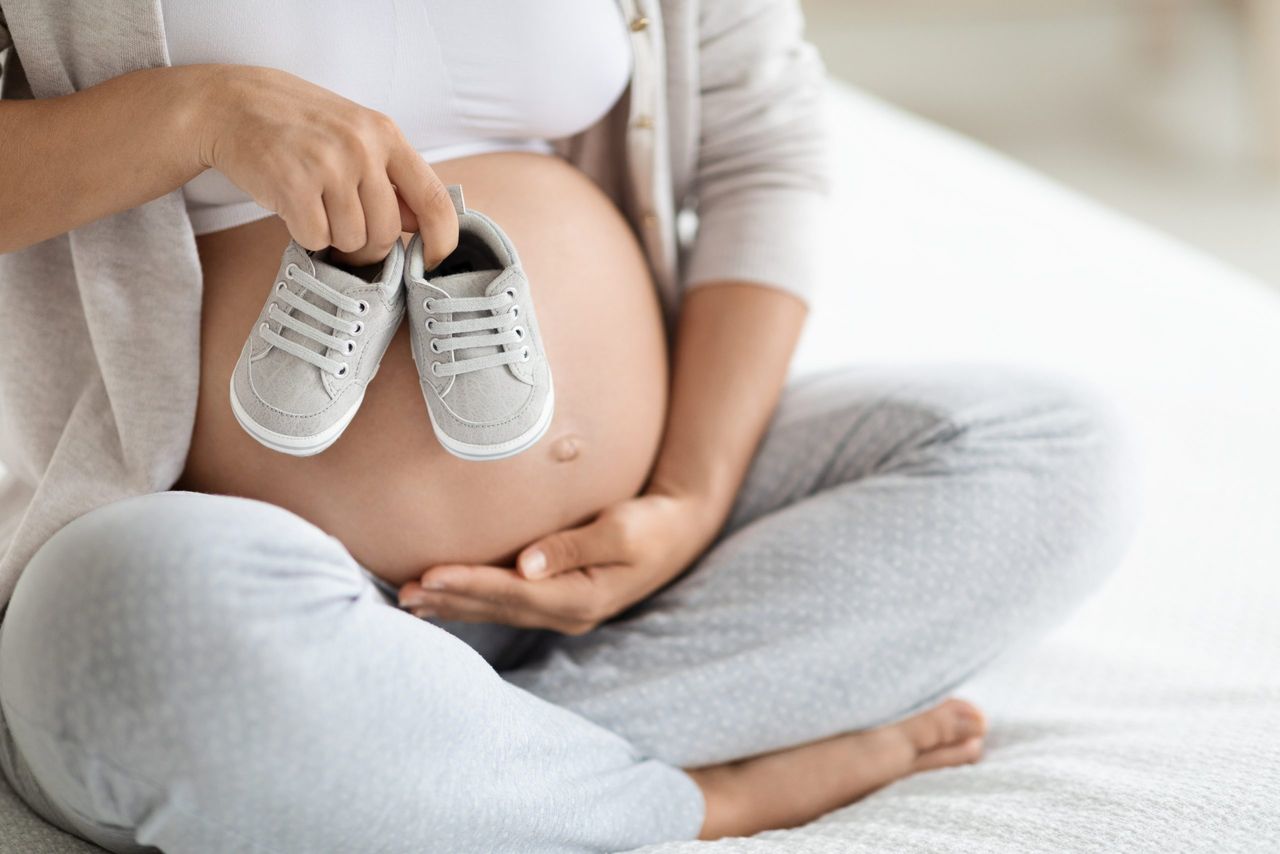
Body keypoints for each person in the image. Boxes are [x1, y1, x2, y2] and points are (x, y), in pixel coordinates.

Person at [0, 1, 1139, 852]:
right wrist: (188, 113)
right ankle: (693, 800)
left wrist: (687, 499)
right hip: (251, 582)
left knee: (1050, 448)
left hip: (632, 558)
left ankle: (437, 766)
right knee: (118, 624)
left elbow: (762, 147)